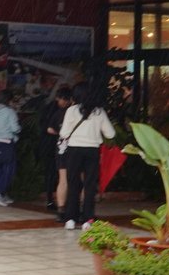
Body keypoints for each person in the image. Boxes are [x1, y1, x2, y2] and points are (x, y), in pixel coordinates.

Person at [59, 82, 116, 230]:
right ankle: (87, 220)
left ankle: (70, 219)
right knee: (89, 185)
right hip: (92, 151)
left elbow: (64, 133)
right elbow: (110, 133)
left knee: (73, 184)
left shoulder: (71, 111)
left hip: (74, 150)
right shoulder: (99, 112)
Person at [40, 86, 72, 217]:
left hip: (49, 145)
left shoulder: (50, 108)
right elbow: (50, 128)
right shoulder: (63, 111)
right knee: (61, 176)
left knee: (53, 174)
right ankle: (61, 202)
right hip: (58, 145)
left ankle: (51, 200)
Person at [0, 90, 21, 207]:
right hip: (6, 143)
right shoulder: (10, 112)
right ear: (8, 100)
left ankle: (2, 193)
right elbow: (16, 128)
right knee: (9, 169)